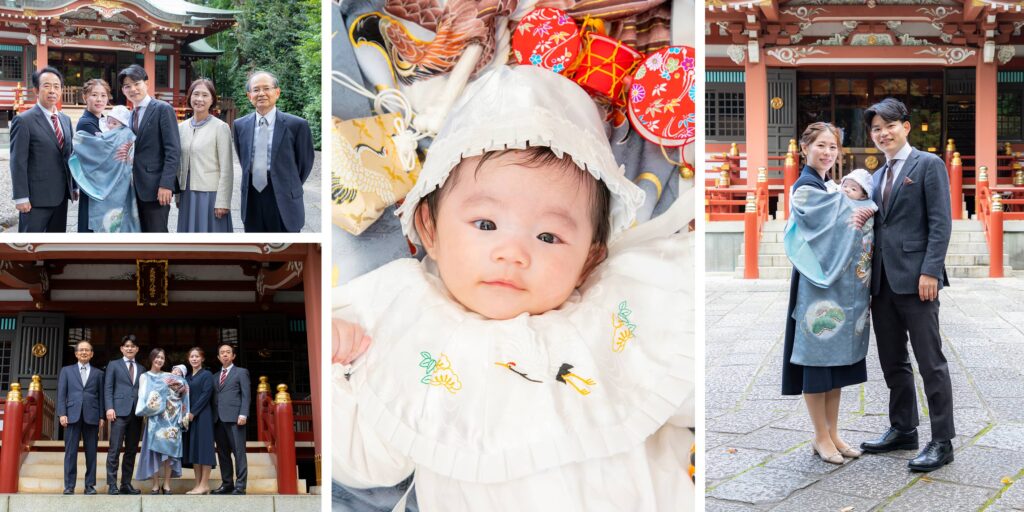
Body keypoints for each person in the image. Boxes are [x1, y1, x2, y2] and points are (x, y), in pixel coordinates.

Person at [330, 66, 692, 510]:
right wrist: (329, 364)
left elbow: (687, 380)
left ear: (591, 256)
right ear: (429, 228)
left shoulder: (617, 306)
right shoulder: (404, 315)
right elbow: (366, 463)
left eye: (548, 237)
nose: (512, 253)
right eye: (485, 224)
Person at [857, 98, 955, 472]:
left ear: (906, 126)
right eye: (876, 129)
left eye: (889, 126)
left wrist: (931, 270)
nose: (883, 134)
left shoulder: (928, 164)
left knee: (931, 362)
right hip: (882, 283)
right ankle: (903, 429)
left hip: (918, 280)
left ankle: (942, 440)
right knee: (892, 361)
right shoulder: (877, 175)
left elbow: (940, 222)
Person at [782, 132, 876, 465]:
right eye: (820, 145)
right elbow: (847, 214)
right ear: (804, 147)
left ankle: (833, 432)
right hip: (816, 285)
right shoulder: (806, 188)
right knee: (816, 363)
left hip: (838, 288)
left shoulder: (831, 188)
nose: (827, 152)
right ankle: (820, 436)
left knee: (835, 365)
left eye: (832, 147)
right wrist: (864, 204)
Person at [232, 70, 314, 232]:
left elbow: (305, 163)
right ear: (249, 96)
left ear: (277, 92)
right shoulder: (240, 125)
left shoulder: (296, 125)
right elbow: (244, 159)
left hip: (284, 196)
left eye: (266, 88)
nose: (261, 93)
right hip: (252, 196)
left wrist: (288, 183)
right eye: (256, 90)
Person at [8, 66, 74, 232]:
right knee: (28, 248)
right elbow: (18, 161)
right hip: (35, 200)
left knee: (54, 247)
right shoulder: (24, 121)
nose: (52, 90)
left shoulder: (65, 120)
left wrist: (73, 186)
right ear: (36, 90)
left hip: (61, 196)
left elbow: (68, 156)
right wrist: (21, 197)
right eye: (46, 86)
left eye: (56, 86)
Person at [117, 63, 180, 232]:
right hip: (133, 187)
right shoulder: (130, 115)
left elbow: (173, 150)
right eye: (127, 86)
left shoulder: (162, 109)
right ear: (123, 90)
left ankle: (161, 260)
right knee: (139, 234)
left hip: (156, 187)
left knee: (157, 233)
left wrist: (167, 184)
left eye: (137, 83)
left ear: (147, 83)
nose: (133, 89)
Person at [68, 105, 139, 232]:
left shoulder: (123, 134)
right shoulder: (127, 134)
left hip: (116, 177)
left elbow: (99, 146)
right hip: (122, 178)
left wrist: (80, 138)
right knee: (122, 212)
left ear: (123, 124)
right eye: (109, 122)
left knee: (113, 210)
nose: (111, 125)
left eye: (115, 123)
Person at [177, 78, 234, 232]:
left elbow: (227, 168)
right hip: (187, 192)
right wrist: (177, 195)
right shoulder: (181, 128)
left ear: (212, 100)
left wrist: (223, 201)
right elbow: (179, 164)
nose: (199, 99)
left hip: (210, 194)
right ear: (190, 97)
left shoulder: (220, 127)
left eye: (205, 95)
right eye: (196, 94)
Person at [135, 354, 189, 494]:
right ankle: (154, 484)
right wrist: (145, 410)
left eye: (162, 358)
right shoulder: (148, 376)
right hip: (155, 418)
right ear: (151, 359)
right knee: (154, 452)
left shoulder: (171, 377)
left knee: (169, 452)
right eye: (156, 357)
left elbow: (183, 396)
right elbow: (144, 396)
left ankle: (166, 484)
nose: (159, 360)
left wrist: (183, 415)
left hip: (172, 419)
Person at [56, 341, 105, 495]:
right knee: (70, 452)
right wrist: (62, 413)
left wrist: (102, 416)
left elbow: (102, 397)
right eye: (81, 350)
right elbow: (61, 394)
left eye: (87, 350)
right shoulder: (67, 371)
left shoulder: (99, 374)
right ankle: (69, 485)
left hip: (92, 415)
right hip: (72, 415)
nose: (84, 352)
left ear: (92, 354)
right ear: (76, 353)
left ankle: (89, 485)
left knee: (91, 452)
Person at [105, 334, 143, 495]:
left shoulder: (142, 368)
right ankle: (112, 484)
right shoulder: (113, 365)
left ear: (137, 349)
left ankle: (125, 484)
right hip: (118, 412)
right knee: (114, 449)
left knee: (131, 450)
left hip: (137, 413)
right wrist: (109, 407)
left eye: (132, 346)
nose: (129, 348)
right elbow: (108, 387)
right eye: (127, 346)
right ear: (122, 348)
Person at [212, 344, 250, 495]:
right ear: (218, 357)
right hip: (218, 420)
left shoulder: (241, 372)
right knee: (222, 453)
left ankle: (240, 485)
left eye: (228, 352)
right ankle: (227, 483)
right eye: (222, 353)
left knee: (238, 452)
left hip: (235, 418)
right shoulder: (214, 376)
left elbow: (246, 395)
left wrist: (243, 414)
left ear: (233, 356)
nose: (225, 355)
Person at [74, 78, 112, 232]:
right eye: (94, 95)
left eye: (103, 95)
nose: (99, 99)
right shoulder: (86, 123)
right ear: (85, 97)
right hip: (93, 182)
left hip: (103, 182)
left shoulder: (103, 120)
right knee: (92, 223)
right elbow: (105, 152)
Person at [183, 347, 217, 494]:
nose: (194, 359)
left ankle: (204, 484)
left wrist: (193, 412)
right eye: (192, 356)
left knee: (204, 449)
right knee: (194, 450)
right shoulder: (187, 377)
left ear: (202, 359)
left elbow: (206, 395)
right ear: (188, 359)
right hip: (189, 417)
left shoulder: (207, 375)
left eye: (197, 356)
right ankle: (198, 485)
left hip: (203, 416)